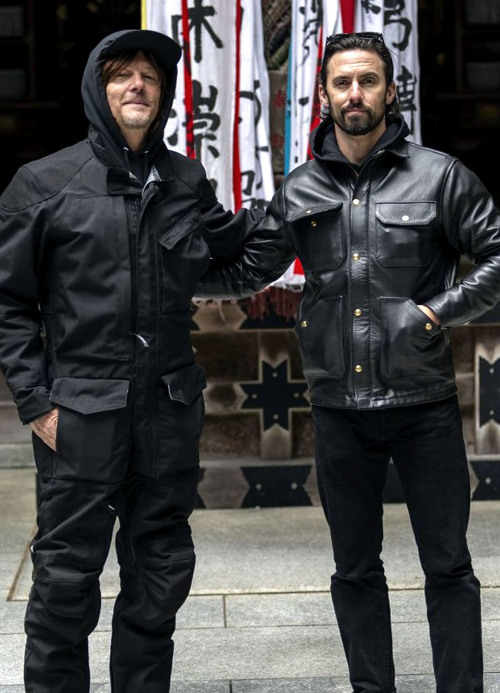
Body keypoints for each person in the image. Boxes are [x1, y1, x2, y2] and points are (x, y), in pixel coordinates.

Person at [199, 32, 500, 693]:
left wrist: (434, 312)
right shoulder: (301, 188)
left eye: (368, 80)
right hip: (339, 412)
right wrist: (173, 272)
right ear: (325, 95)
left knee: (449, 565)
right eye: (342, 83)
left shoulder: (440, 176)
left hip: (424, 406)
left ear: (391, 91)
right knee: (354, 569)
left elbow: (498, 257)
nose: (355, 93)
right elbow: (253, 267)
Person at [0, 29, 260, 693]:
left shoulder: (184, 180)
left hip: (167, 412)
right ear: (98, 88)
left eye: (149, 74)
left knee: (159, 578)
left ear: (165, 93)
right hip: (80, 415)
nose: (137, 83)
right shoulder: (45, 184)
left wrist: (289, 219)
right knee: (63, 585)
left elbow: (222, 260)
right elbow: (9, 302)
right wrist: (35, 401)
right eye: (121, 74)